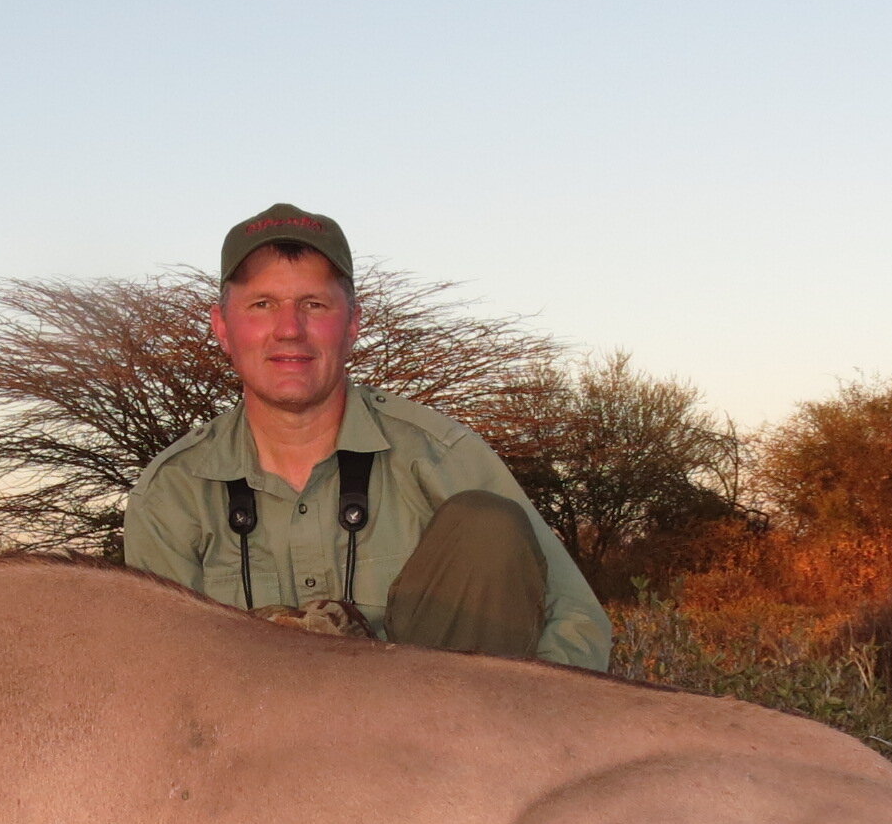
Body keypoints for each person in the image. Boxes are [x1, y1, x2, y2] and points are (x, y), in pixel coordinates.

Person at [123, 205, 611, 670]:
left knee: (487, 523)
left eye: (314, 304)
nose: (289, 329)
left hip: (439, 741)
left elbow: (578, 625)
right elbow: (159, 670)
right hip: (250, 748)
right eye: (262, 304)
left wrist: (518, 729)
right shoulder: (171, 489)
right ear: (222, 327)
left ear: (353, 323)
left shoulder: (440, 455)